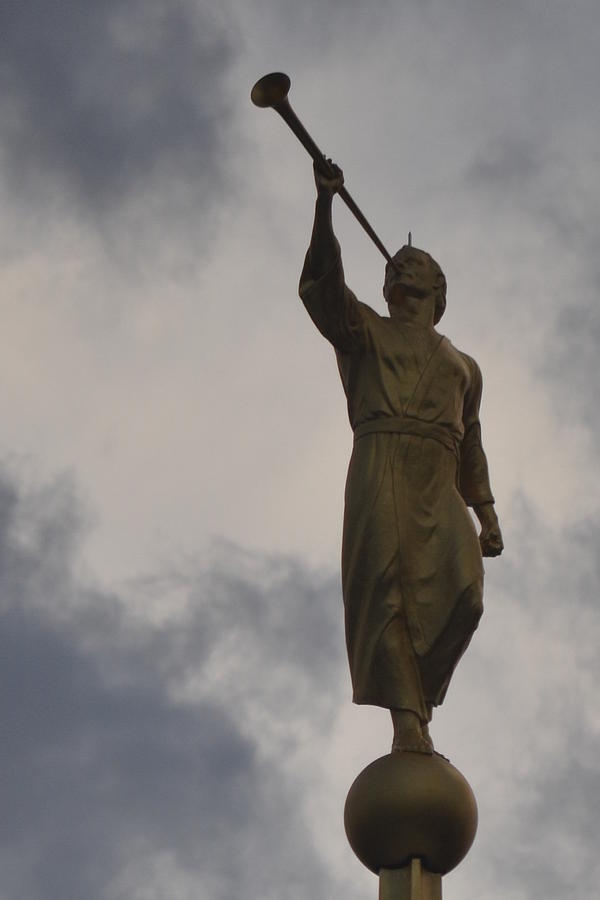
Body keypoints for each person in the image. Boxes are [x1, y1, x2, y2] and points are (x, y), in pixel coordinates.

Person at [299, 161, 503, 753]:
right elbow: (323, 291)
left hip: (438, 474)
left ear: (439, 293)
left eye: (420, 266)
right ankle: (407, 720)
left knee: (465, 592)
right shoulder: (364, 330)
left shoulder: (464, 365)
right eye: (398, 265)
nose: (404, 265)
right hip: (382, 457)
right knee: (385, 590)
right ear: (387, 286)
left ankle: (420, 694)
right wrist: (324, 207)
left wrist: (485, 510)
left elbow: (472, 441)